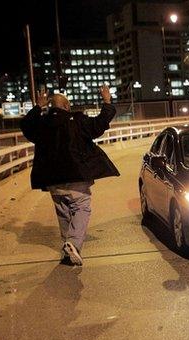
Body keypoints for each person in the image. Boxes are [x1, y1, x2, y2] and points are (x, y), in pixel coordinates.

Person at [20, 86, 120, 266]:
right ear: (66, 105)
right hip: (76, 176)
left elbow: (26, 126)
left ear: (50, 107)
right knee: (81, 208)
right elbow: (99, 124)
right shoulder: (77, 120)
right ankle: (73, 243)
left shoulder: (42, 124)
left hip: (51, 180)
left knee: (63, 212)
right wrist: (107, 101)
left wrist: (37, 107)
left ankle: (68, 251)